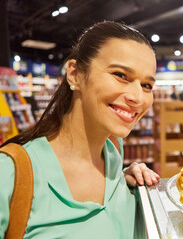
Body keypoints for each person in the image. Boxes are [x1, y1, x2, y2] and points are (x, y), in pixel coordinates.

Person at [0, 21, 160, 238]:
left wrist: (129, 187)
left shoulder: (113, 151)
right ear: (74, 74)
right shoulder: (9, 173)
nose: (137, 97)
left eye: (146, 85)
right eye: (121, 75)